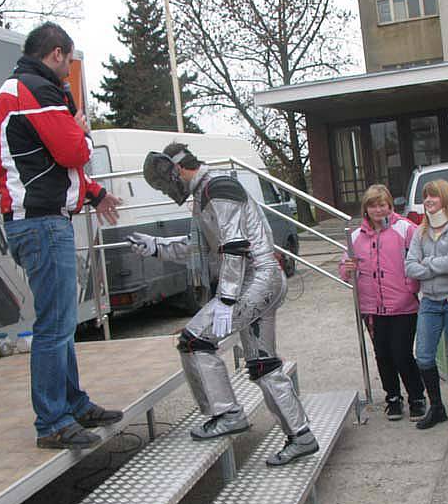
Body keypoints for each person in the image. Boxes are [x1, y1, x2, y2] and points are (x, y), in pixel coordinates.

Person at [128, 144, 318, 466]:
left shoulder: (217, 188)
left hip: (255, 283)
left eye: (164, 183)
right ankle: (301, 436)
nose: (166, 190)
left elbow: (234, 246)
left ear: (177, 171)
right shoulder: (207, 192)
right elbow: (200, 250)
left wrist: (226, 301)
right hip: (258, 281)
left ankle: (227, 413)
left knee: (194, 341)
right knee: (263, 365)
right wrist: (156, 247)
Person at [0, 22, 124, 449]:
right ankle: (52, 422)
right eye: (68, 61)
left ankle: (73, 403)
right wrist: (79, 129)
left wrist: (95, 192)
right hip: (43, 224)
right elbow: (72, 151)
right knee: (54, 326)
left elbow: (54, 167)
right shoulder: (36, 90)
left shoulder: (21, 89)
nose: (69, 72)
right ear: (56, 53)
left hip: (40, 220)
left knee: (62, 324)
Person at [339, 185, 426, 422]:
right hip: (372, 307)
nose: (378, 210)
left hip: (402, 304)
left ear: (390, 206)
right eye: (373, 205)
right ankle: (393, 398)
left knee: (402, 352)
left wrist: (412, 286)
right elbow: (344, 267)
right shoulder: (356, 236)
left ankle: (417, 397)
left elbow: (421, 254)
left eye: (383, 205)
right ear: (366, 209)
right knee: (383, 354)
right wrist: (348, 269)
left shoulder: (405, 228)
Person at [405, 180, 448, 430]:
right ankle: (437, 407)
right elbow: (409, 266)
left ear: (446, 198)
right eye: (426, 196)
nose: (429, 200)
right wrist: (434, 266)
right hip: (429, 301)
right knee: (423, 356)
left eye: (434, 196)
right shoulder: (420, 231)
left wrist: (427, 264)